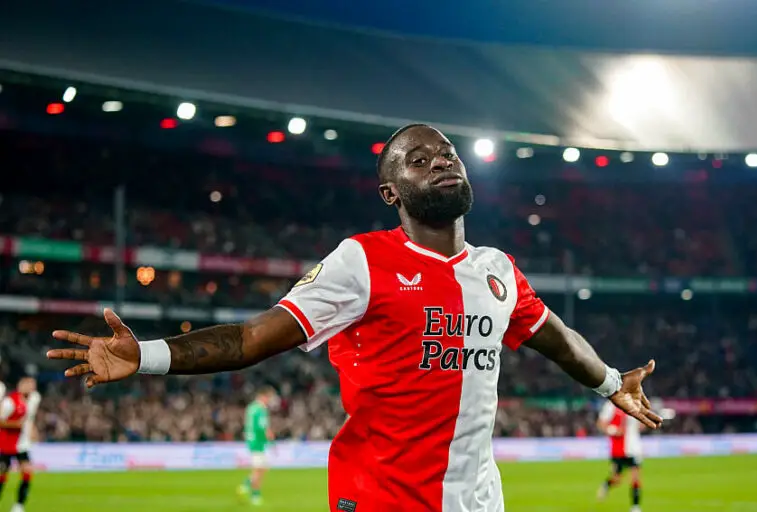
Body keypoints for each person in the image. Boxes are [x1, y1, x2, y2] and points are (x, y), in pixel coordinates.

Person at [47, 124, 662, 512]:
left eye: (448, 154)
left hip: (479, 500)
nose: (441, 161)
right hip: (381, 500)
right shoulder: (362, 261)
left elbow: (557, 340)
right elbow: (252, 337)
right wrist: (147, 355)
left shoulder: (497, 269)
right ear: (391, 194)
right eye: (418, 160)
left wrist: (613, 382)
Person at [0, 377, 41, 512]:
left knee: (27, 472)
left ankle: (19, 506)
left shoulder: (34, 399)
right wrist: (15, 425)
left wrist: (33, 430)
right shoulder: (9, 402)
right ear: (20, 386)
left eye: (32, 385)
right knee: (2, 476)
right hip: (6, 444)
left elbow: (30, 419)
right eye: (27, 385)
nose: (30, 387)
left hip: (22, 444)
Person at [596, 401, 645, 512]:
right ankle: (606, 485)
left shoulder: (636, 403)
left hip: (634, 448)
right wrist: (614, 430)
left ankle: (635, 507)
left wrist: (643, 422)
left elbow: (641, 425)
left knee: (635, 478)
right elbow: (601, 423)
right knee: (617, 479)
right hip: (619, 449)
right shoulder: (611, 405)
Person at [238, 386, 276, 506]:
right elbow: (262, 427)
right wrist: (271, 438)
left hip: (252, 440)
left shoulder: (251, 407)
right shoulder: (260, 409)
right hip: (258, 442)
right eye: (269, 397)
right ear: (263, 396)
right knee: (258, 470)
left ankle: (249, 489)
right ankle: (250, 490)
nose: (269, 400)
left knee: (263, 468)